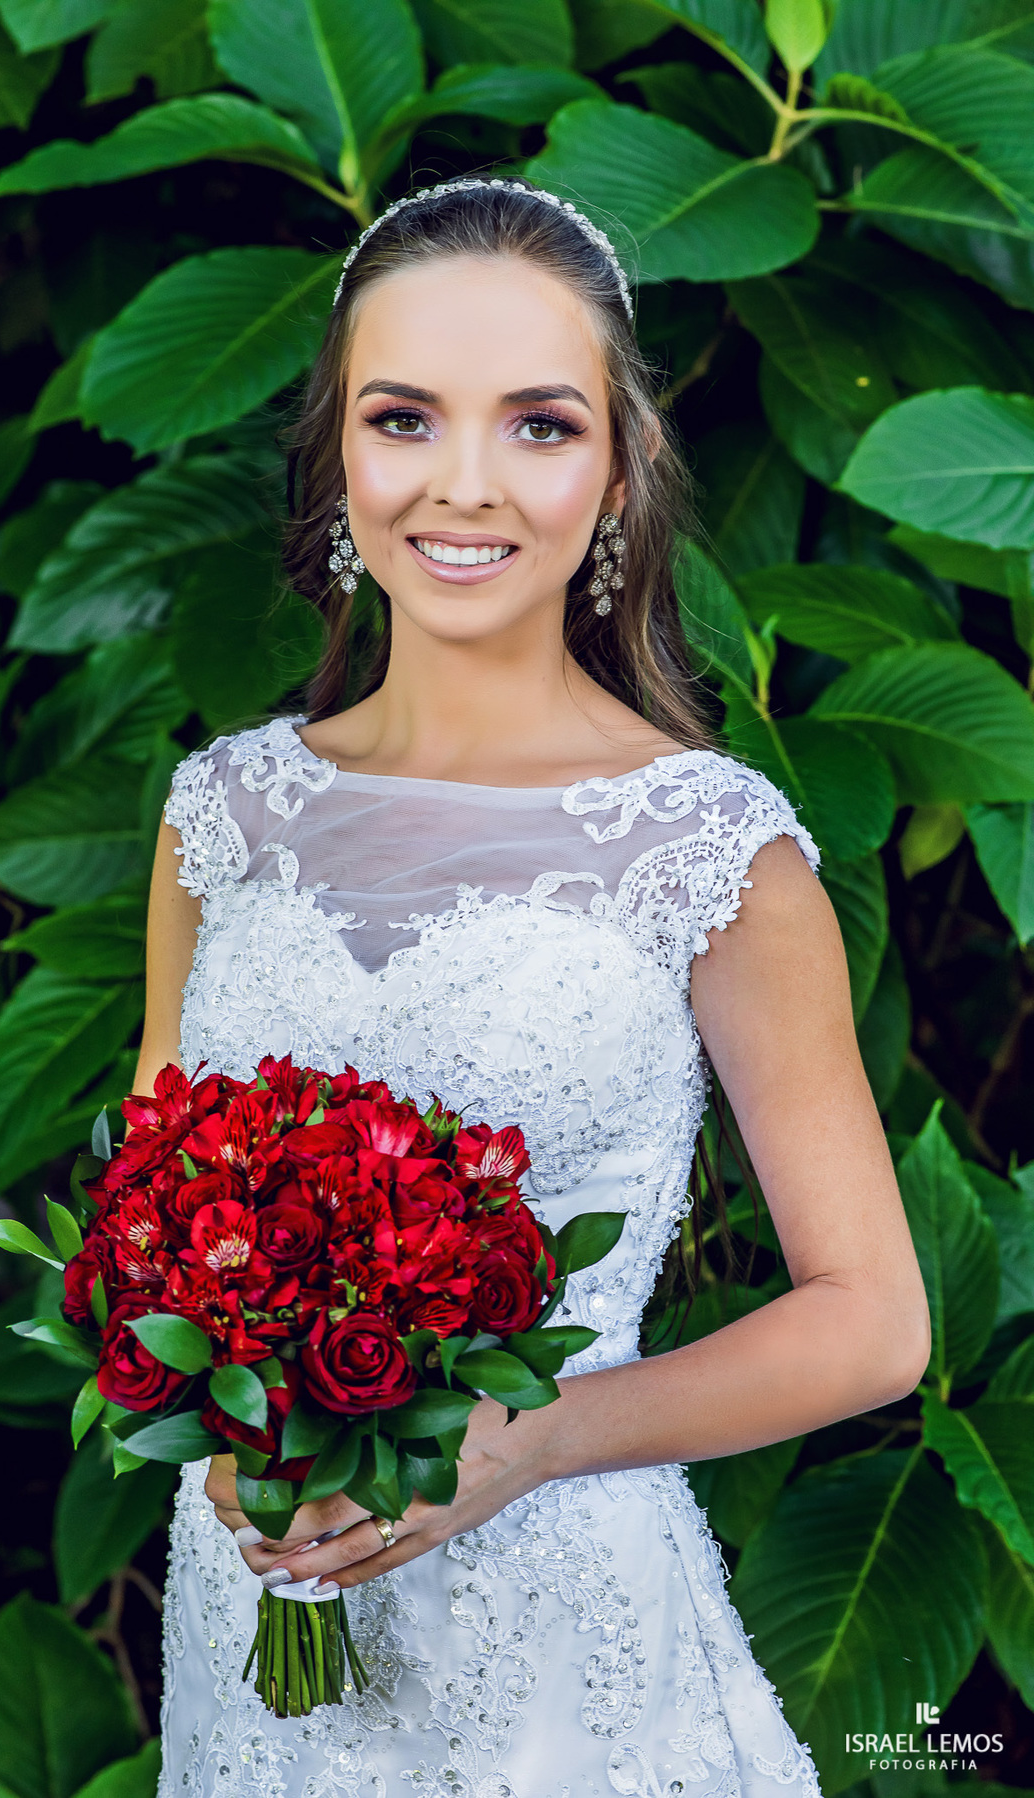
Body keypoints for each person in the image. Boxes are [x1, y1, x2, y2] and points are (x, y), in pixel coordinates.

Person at [133, 177, 930, 1798]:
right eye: (406, 416)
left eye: (541, 424)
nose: (466, 484)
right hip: (256, 1613)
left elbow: (875, 1322)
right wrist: (210, 1416)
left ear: (619, 471)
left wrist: (532, 1436)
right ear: (337, 455)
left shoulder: (712, 851)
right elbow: (152, 1214)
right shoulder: (223, 815)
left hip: (562, 1650)